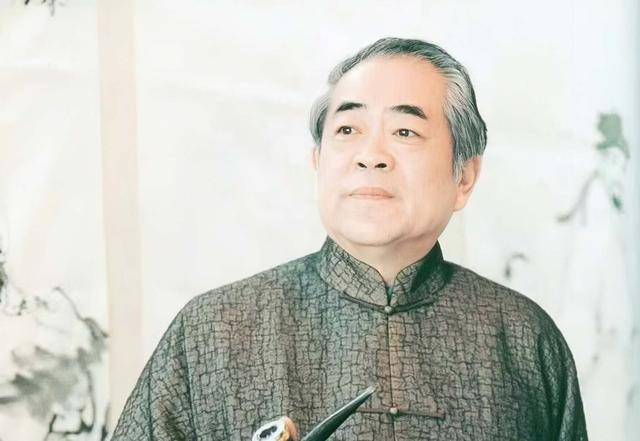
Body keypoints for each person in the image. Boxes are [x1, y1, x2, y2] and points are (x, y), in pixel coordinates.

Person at [111, 37, 588, 441]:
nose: (371, 155)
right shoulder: (212, 330)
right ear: (318, 162)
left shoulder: (525, 339)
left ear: (464, 176)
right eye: (347, 129)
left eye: (405, 131)